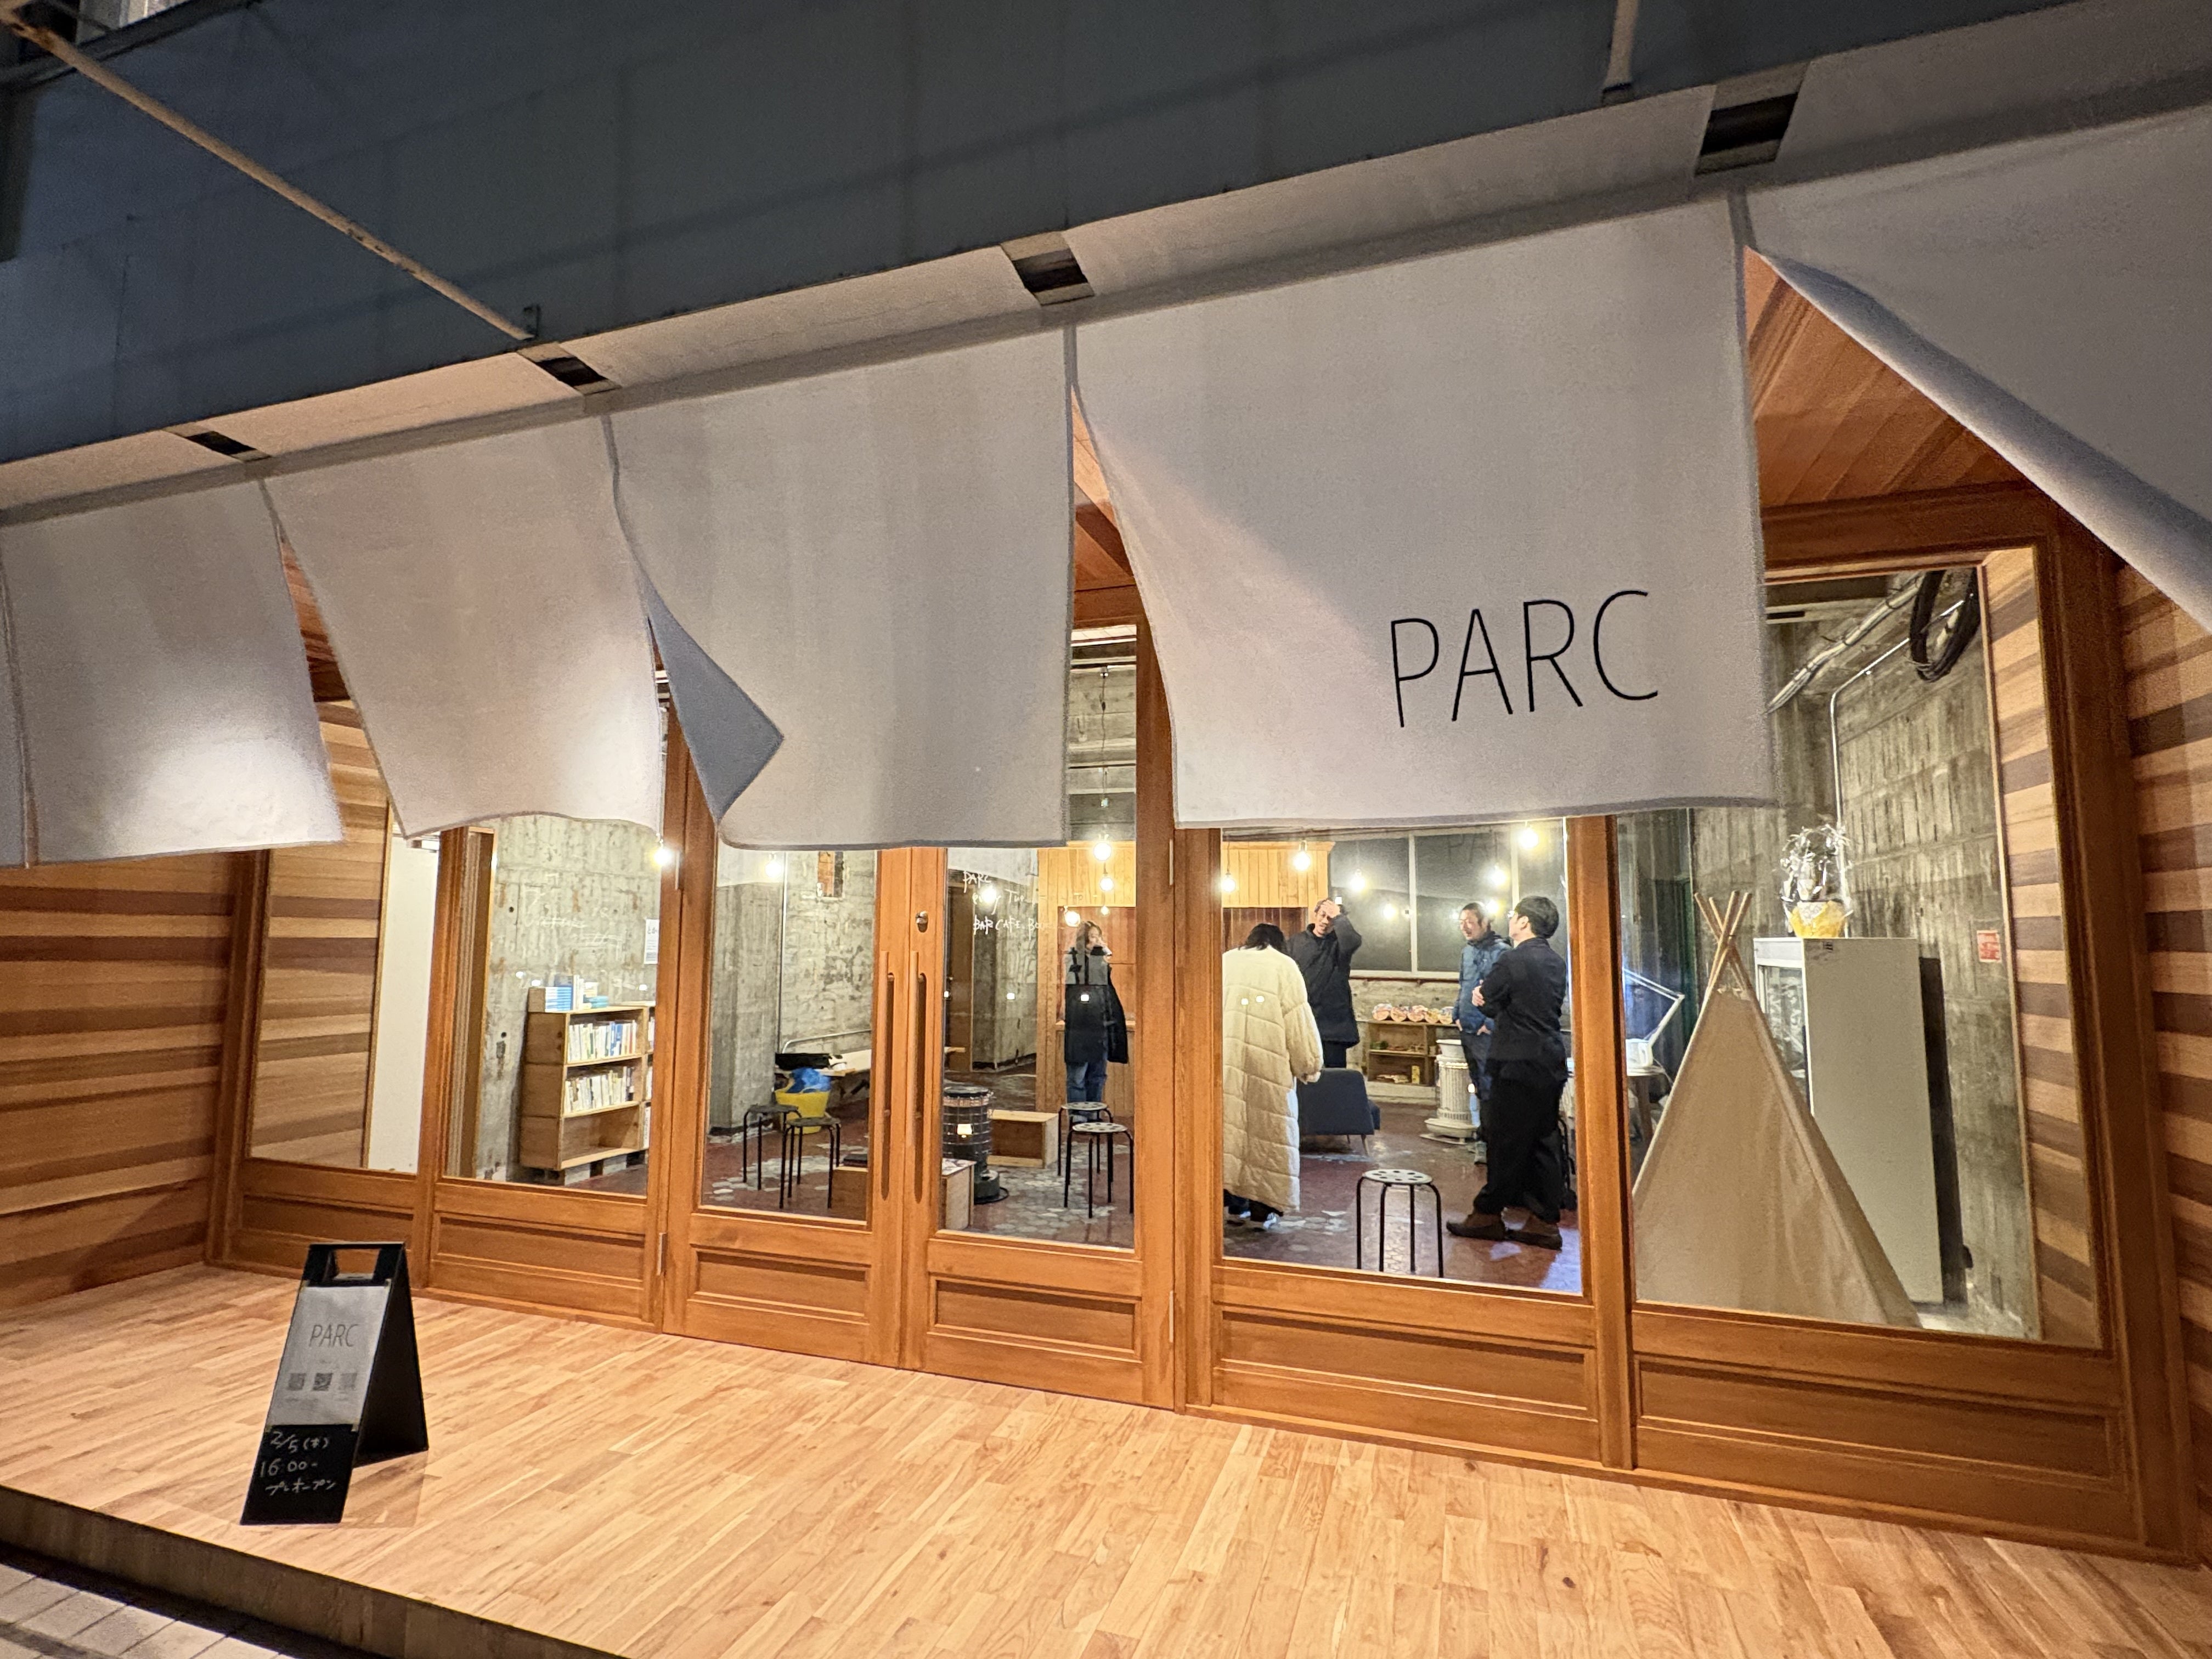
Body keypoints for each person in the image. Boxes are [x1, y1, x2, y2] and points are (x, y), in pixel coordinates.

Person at [1447, 895, 1570, 1250]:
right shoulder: (1556, 962)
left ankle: (1488, 1214)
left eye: (1514, 915)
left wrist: (1481, 999)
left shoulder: (1512, 959)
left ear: (1525, 922)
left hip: (1515, 1062)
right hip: (1549, 1060)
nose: (1510, 920)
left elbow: (1488, 999)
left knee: (1504, 1139)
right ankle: (1544, 1220)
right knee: (1544, 1139)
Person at [1222, 922, 1323, 1231]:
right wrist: (1309, 1064)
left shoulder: (1226, 961)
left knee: (1232, 1135)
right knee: (1267, 1138)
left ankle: (1234, 1205)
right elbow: (1297, 1018)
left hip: (1227, 1064)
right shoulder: (1284, 966)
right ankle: (1262, 1212)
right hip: (1268, 1066)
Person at [1453, 901, 1510, 1139]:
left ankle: (1494, 1135)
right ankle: (1485, 1131)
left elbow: (1506, 993)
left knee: (1491, 1084)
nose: (1465, 927)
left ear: (1485, 922)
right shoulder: (1467, 952)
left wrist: (1490, 1024)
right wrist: (1457, 1014)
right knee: (1477, 1082)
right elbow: (1463, 985)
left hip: (1486, 1031)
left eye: (1470, 922)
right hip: (1466, 1028)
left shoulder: (1501, 952)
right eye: (1461, 922)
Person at [1286, 898, 1363, 1068]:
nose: (1325, 922)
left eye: (1330, 918)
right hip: (1304, 1020)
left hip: (1333, 1025)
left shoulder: (1341, 944)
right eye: (1322, 915)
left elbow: (1354, 941)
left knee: (1334, 1077)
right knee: (1304, 1073)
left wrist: (1339, 917)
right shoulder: (1295, 943)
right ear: (1315, 914)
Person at [1063, 921, 1127, 1105]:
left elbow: (1105, 990)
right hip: (1080, 1028)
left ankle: (1094, 1113)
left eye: (1098, 936)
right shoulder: (1074, 959)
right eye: (1092, 937)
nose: (1097, 941)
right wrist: (1098, 957)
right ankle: (1079, 1116)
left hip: (1101, 1027)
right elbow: (1080, 984)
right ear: (1083, 940)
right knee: (1078, 1077)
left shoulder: (1100, 961)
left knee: (1098, 1075)